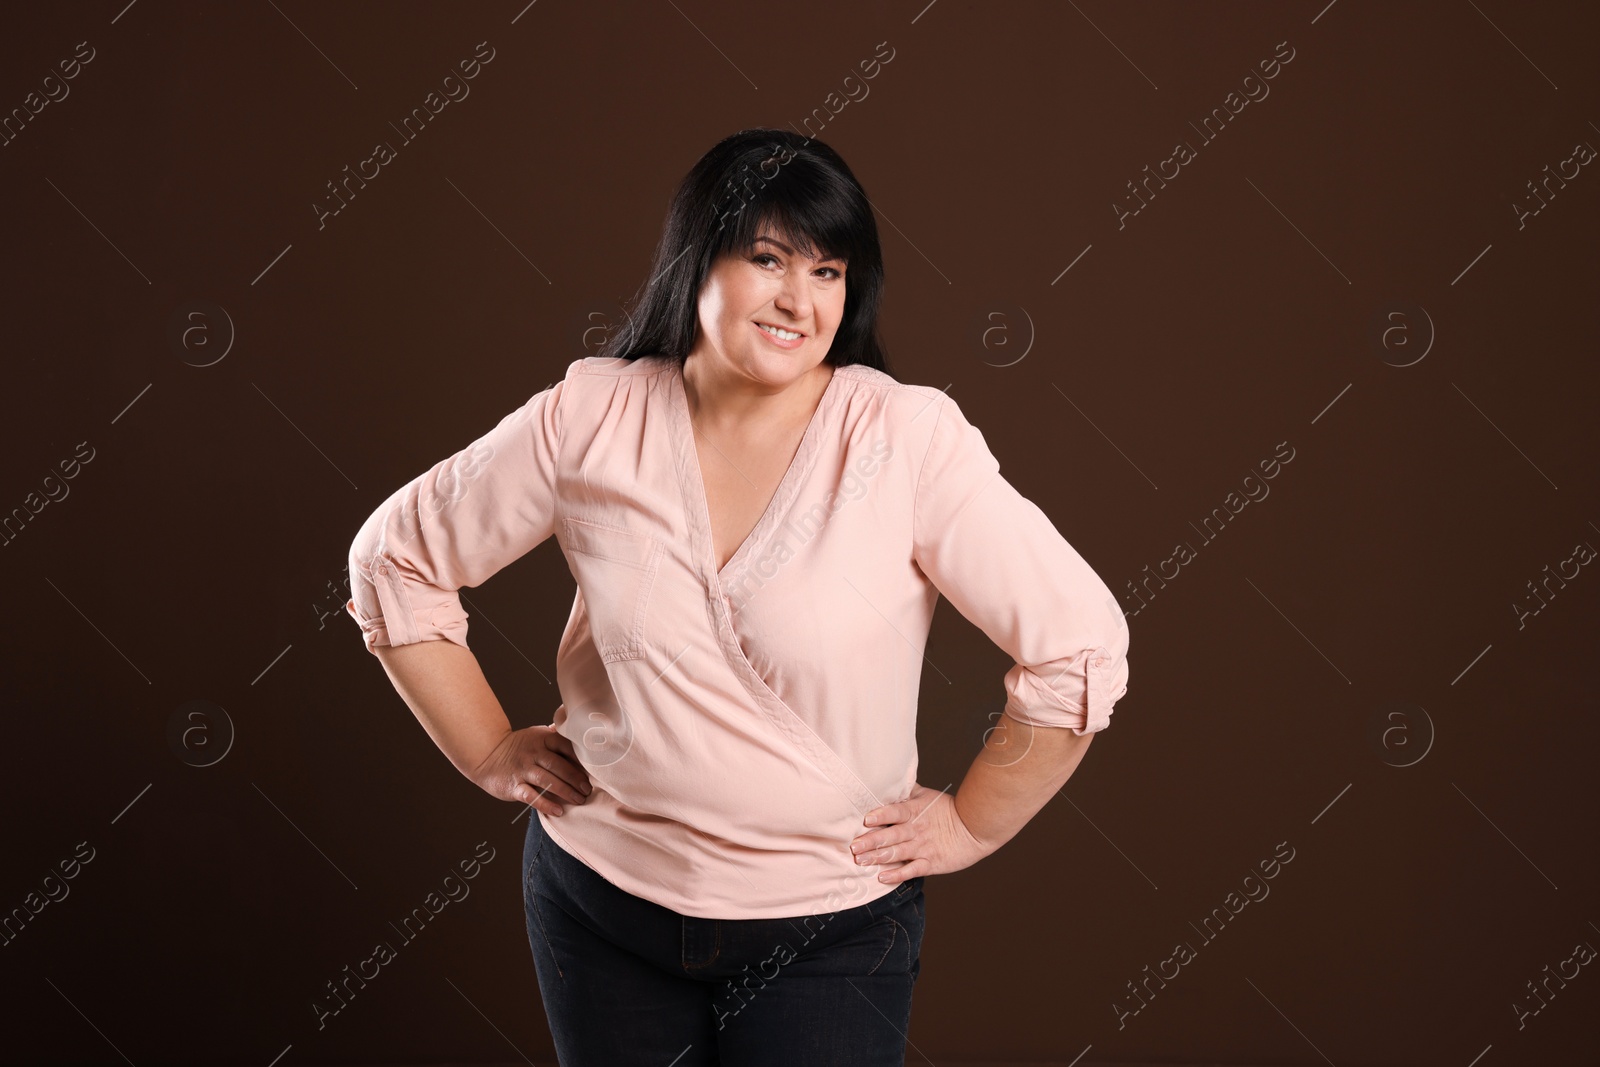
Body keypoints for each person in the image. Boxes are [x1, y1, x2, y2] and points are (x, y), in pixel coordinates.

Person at [344, 127, 1130, 1065]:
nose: (799, 300)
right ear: (696, 261)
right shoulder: (592, 415)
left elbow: (1078, 645)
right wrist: (486, 750)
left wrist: (969, 821)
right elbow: (395, 560)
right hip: (600, 903)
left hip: (828, 931)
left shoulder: (904, 439)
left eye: (829, 272)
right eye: (768, 259)